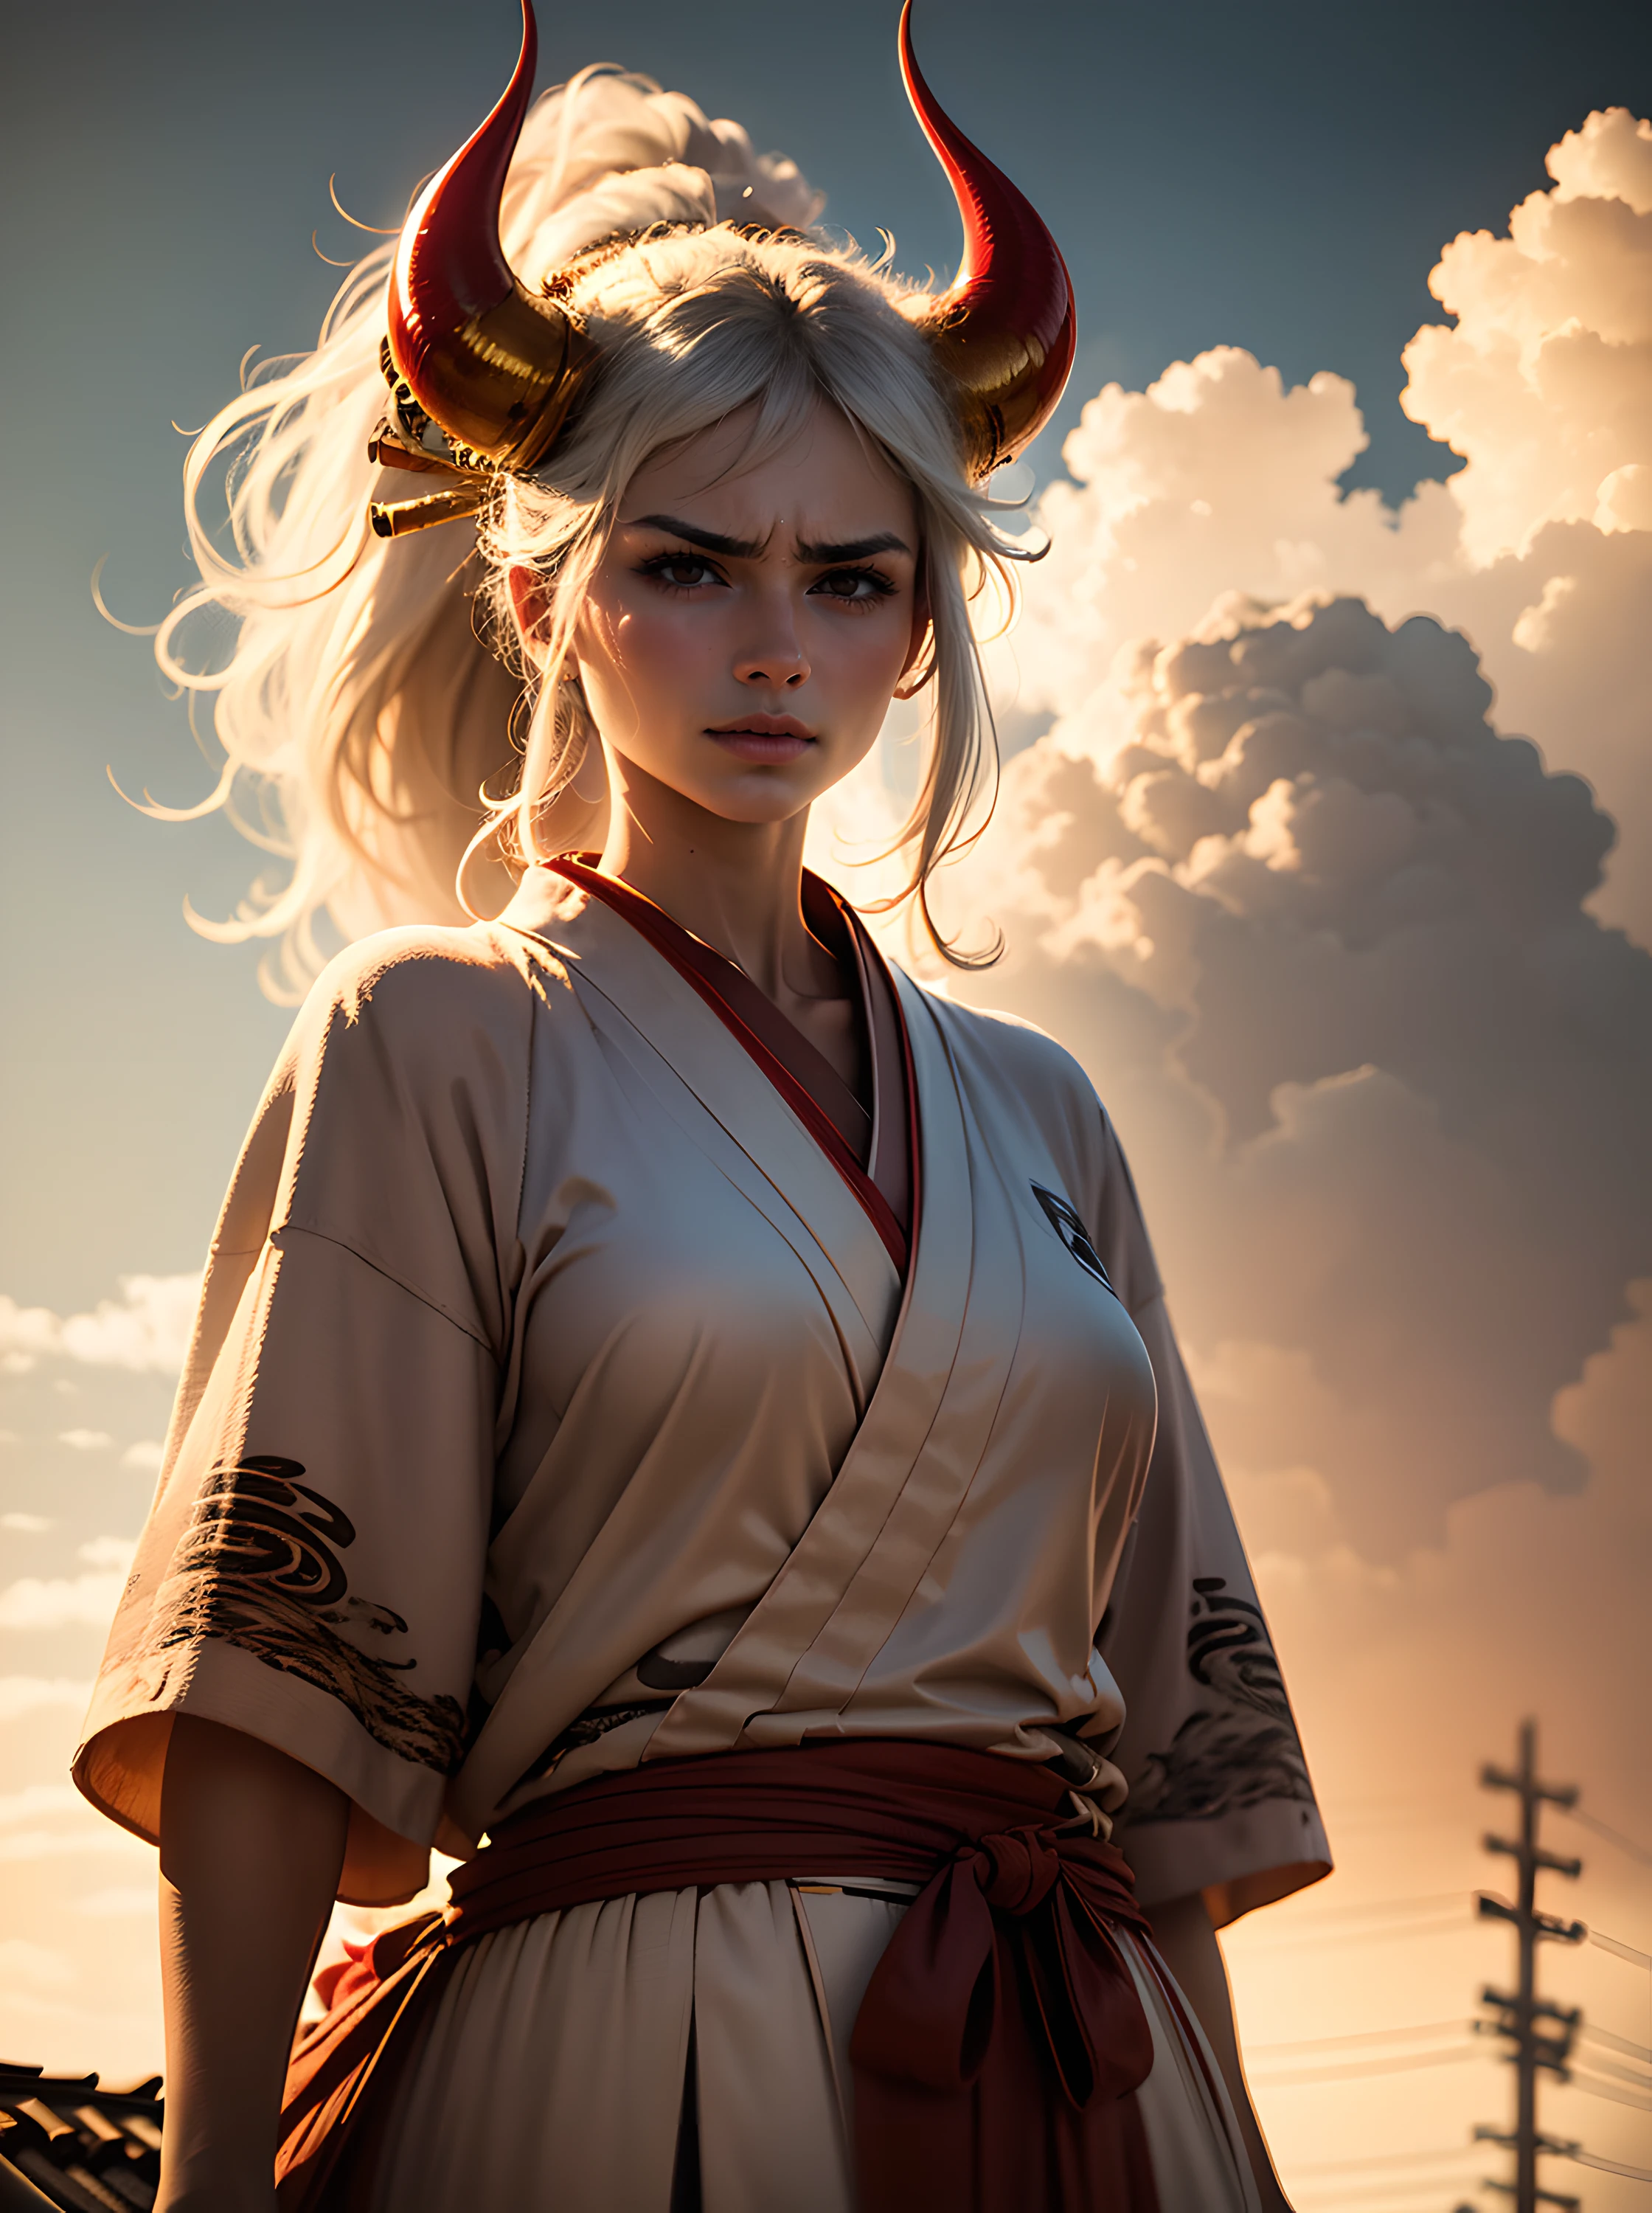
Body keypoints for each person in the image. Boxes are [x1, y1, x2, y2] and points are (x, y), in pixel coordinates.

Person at [74, 4, 1330, 2207]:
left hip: (1101, 2086)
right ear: (552, 589)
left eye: (850, 582)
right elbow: (264, 1715)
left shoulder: (1045, 1118)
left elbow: (1167, 1793)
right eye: (690, 565)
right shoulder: (433, 1043)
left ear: (918, 630)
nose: (778, 649)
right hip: (619, 2061)